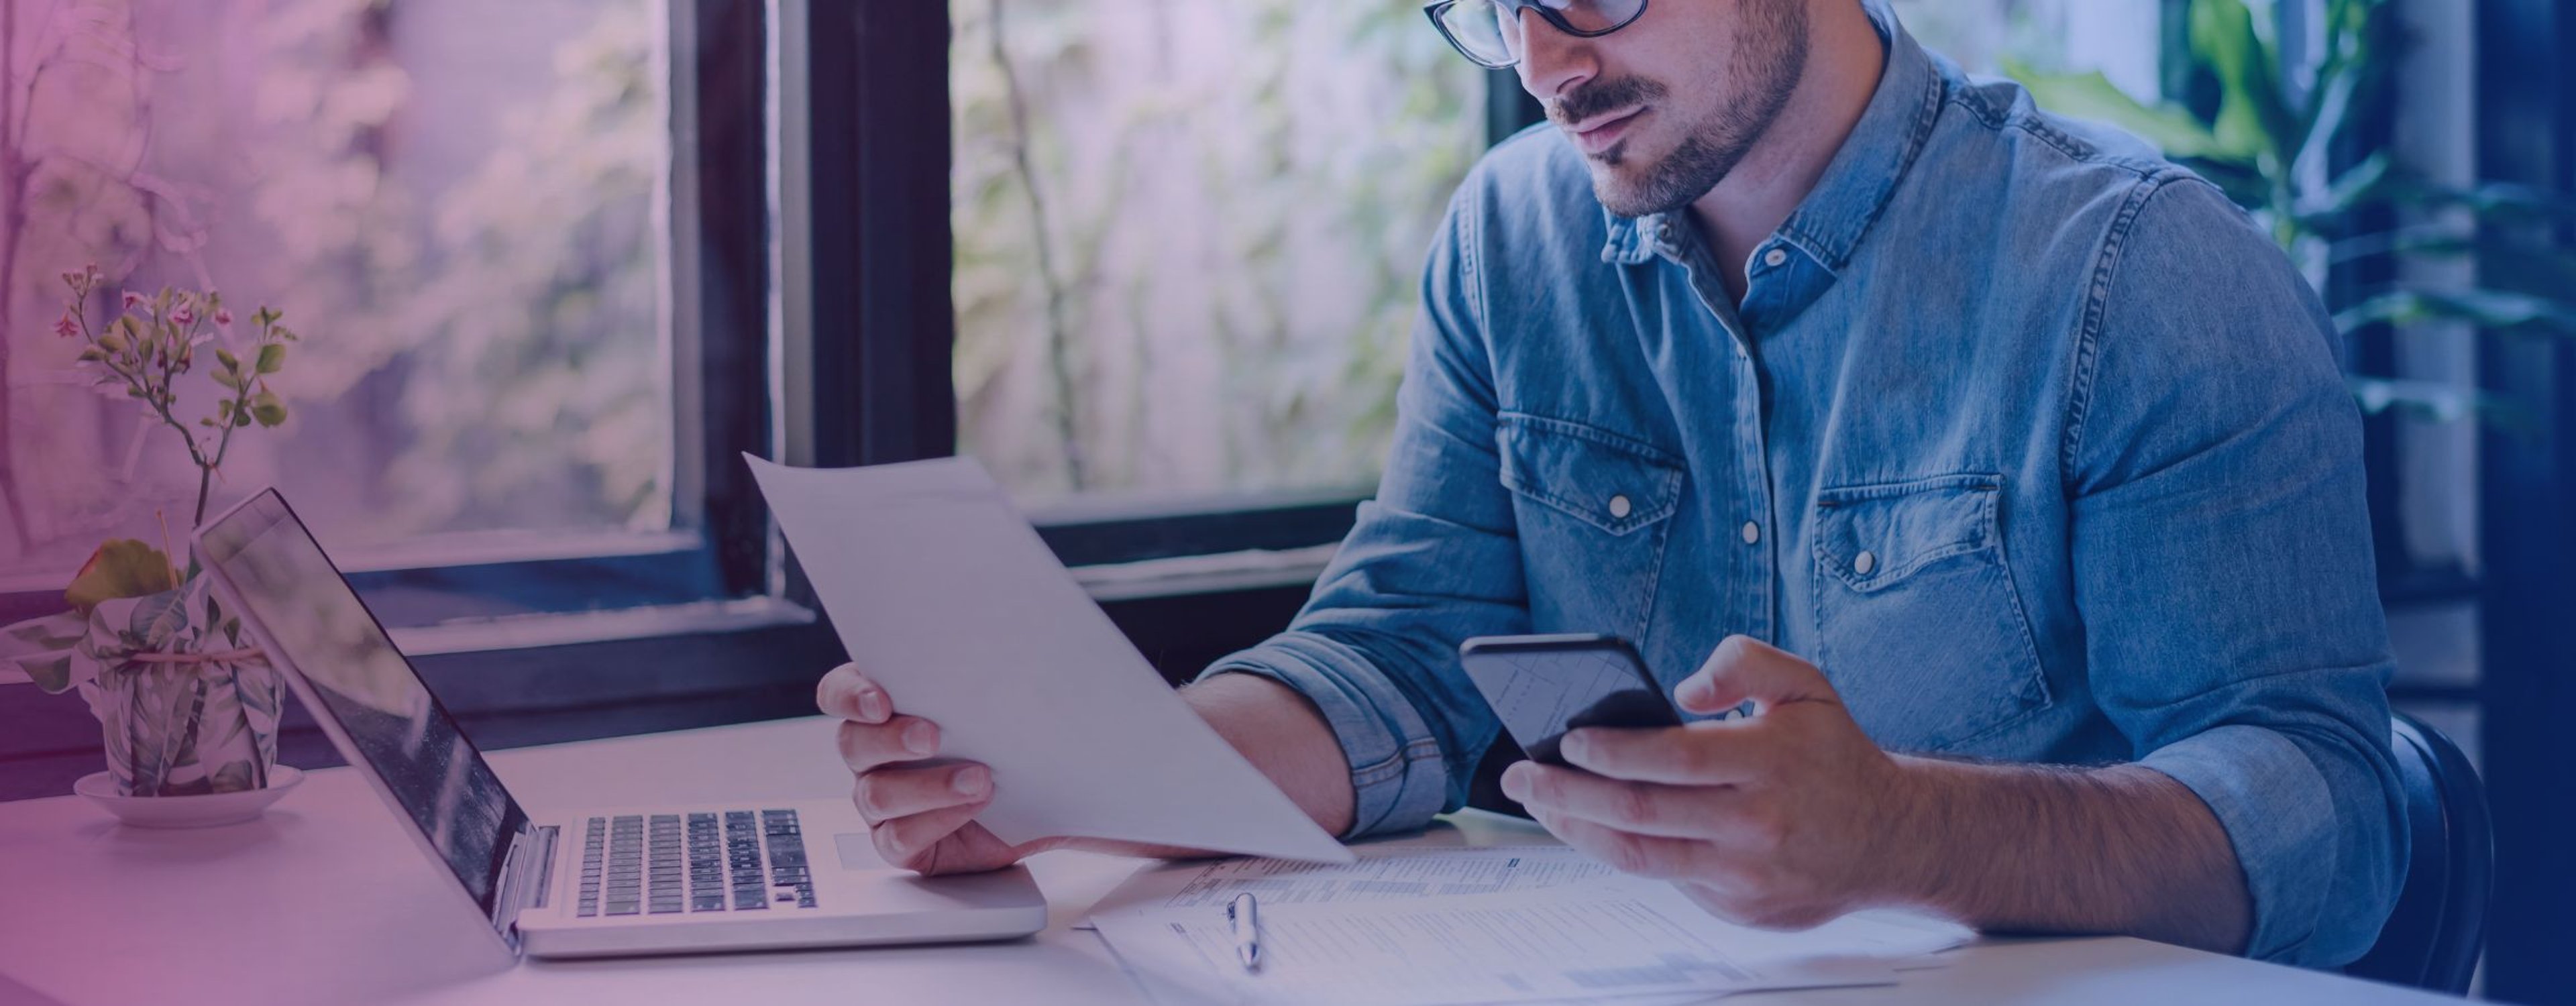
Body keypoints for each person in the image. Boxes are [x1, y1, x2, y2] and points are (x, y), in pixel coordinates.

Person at [820, 0, 2404, 968]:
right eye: (1496, 3)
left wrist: (1905, 831)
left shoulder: (2138, 272)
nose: (1544, 63)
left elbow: (2325, 815)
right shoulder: (1511, 242)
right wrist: (1069, 782)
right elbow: (1401, 653)